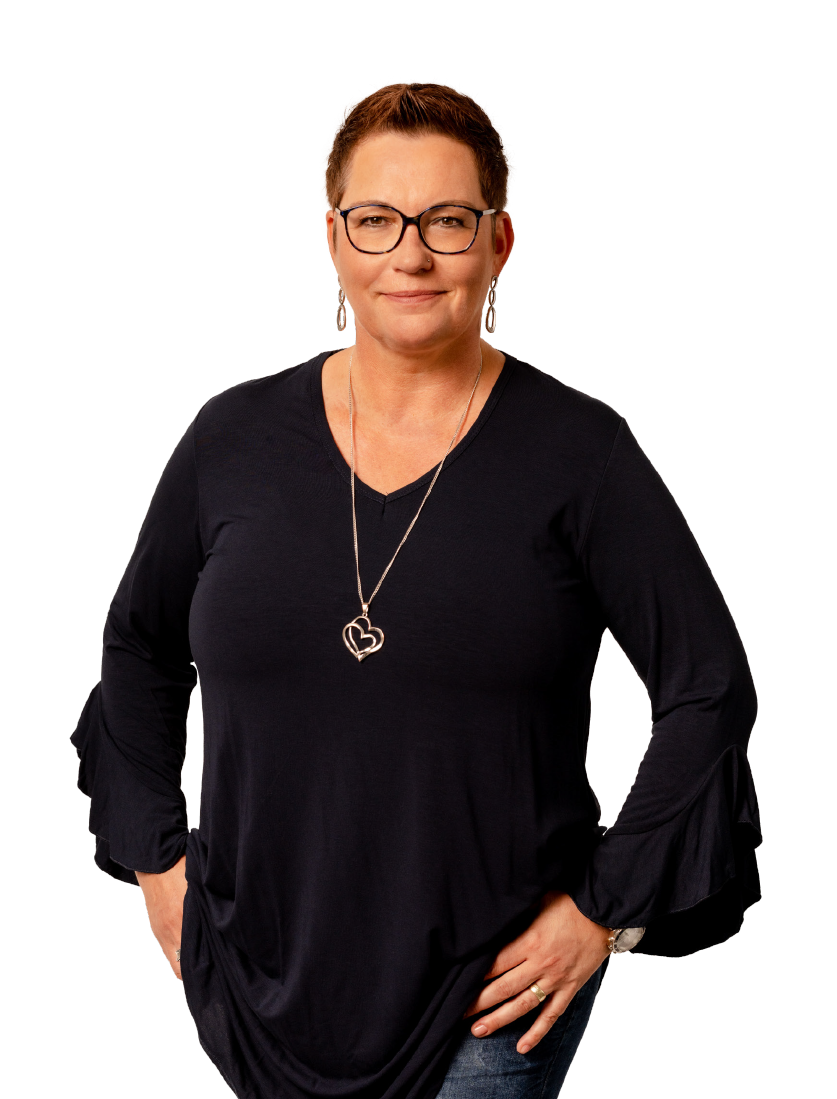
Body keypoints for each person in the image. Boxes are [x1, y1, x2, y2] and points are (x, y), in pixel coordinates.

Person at [71, 80, 761, 1099]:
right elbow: (136, 647)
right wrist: (157, 868)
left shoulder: (582, 451)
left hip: (491, 988)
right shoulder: (228, 438)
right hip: (254, 970)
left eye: (447, 219)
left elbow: (708, 687)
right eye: (376, 219)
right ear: (332, 237)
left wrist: (603, 910)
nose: (410, 255)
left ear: (500, 239)